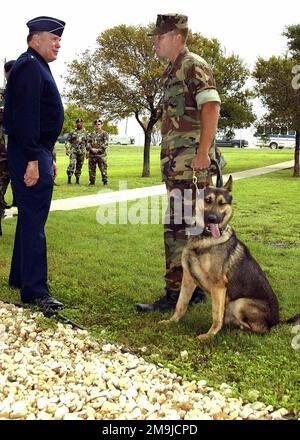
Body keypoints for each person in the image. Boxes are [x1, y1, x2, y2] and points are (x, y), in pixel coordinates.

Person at [137, 14, 221, 312]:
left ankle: (179, 293)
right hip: (178, 166)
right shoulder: (173, 70)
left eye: (159, 37)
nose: (155, 42)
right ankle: (192, 289)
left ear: (176, 36)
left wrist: (203, 152)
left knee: (181, 228)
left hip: (191, 167)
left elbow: (210, 106)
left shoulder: (192, 65)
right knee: (187, 227)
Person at [3, 16, 66, 309]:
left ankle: (20, 277)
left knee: (30, 216)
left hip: (37, 149)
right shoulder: (29, 65)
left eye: (59, 39)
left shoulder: (34, 64)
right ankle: (35, 290)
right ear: (36, 39)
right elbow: (26, 117)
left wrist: (47, 155)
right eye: (54, 39)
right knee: (34, 221)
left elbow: (39, 118)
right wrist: (32, 158)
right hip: (30, 150)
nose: (58, 44)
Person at [0, 60, 16, 219]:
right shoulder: (4, 93)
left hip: (14, 150)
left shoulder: (21, 92)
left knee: (8, 178)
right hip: (3, 152)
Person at [65, 118, 89, 184]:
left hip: (82, 151)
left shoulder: (86, 133)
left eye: (80, 122)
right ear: (76, 124)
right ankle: (69, 179)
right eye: (78, 122)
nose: (79, 124)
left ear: (82, 123)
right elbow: (67, 141)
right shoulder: (72, 132)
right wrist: (67, 149)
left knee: (79, 165)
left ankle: (77, 180)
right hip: (73, 151)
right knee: (71, 164)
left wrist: (88, 151)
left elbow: (87, 143)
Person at [88, 119, 109, 185]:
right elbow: (87, 143)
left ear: (101, 125)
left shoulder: (104, 133)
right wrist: (91, 149)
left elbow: (106, 143)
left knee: (103, 168)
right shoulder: (91, 134)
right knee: (91, 169)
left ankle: (104, 180)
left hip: (101, 155)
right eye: (96, 124)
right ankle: (92, 181)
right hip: (92, 154)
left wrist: (98, 150)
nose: (97, 126)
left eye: (99, 124)